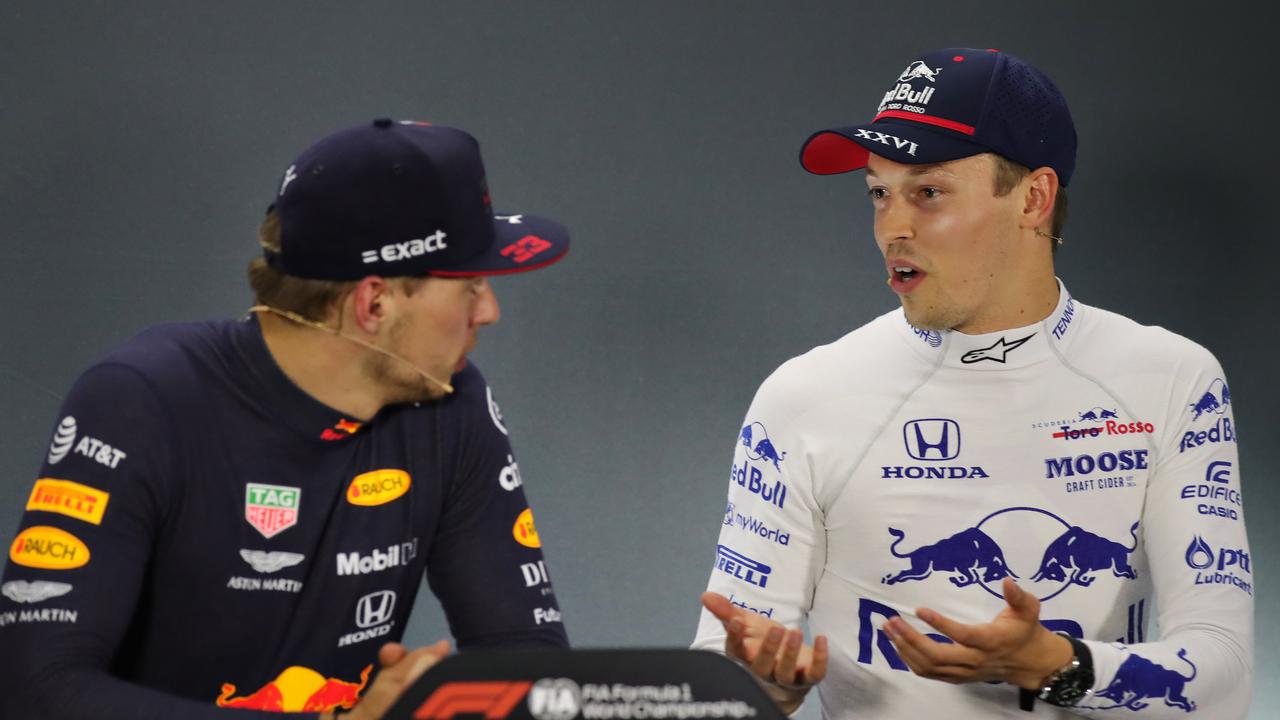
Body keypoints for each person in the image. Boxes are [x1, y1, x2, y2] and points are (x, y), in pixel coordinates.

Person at [694, 48, 1252, 718]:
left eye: (927, 192)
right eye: (879, 193)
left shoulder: (1174, 379)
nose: (890, 228)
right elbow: (720, 681)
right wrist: (766, 686)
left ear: (1034, 198)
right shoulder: (804, 395)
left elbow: (1224, 679)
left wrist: (1060, 668)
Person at [0, 118, 571, 719]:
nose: (490, 310)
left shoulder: (450, 404)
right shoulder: (141, 399)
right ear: (373, 302)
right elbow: (35, 691)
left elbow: (525, 663)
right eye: (469, 284)